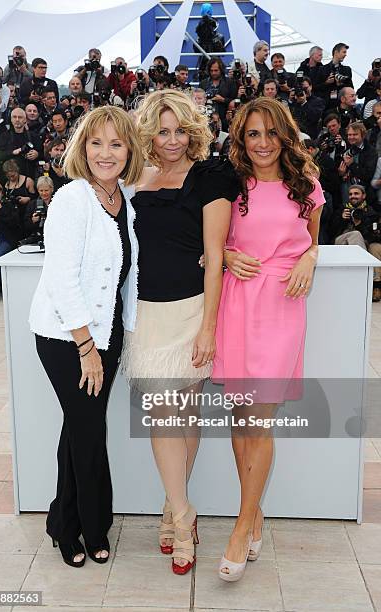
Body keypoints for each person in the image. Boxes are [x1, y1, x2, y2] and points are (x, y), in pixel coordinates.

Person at [121, 90, 240, 576]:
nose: (172, 141)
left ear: (193, 130)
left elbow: (215, 256)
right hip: (144, 313)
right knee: (165, 418)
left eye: (180, 130)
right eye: (162, 131)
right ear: (149, 132)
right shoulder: (133, 178)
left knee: (183, 416)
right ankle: (183, 511)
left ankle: (175, 510)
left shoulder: (211, 176)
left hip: (192, 311)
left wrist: (209, 327)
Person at [212, 97, 325, 581]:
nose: (262, 143)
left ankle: (241, 526)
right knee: (240, 417)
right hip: (236, 303)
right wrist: (224, 258)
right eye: (252, 134)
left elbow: (315, 241)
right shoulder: (232, 185)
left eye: (270, 133)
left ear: (285, 135)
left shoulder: (308, 187)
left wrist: (310, 259)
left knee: (258, 418)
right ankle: (254, 513)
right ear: (242, 138)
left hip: (281, 302)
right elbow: (211, 244)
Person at [28, 106, 144, 567]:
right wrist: (85, 348)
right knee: (90, 431)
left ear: (129, 149)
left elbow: (126, 273)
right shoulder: (72, 199)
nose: (105, 152)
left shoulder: (125, 199)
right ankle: (90, 529)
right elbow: (61, 279)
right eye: (96, 142)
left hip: (106, 334)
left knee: (77, 428)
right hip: (66, 337)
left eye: (116, 143)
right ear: (82, 147)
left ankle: (62, 519)